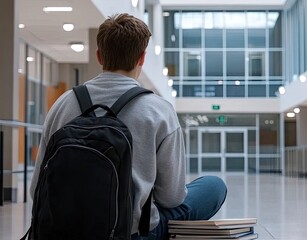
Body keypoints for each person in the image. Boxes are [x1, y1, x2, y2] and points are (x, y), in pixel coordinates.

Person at [30, 13, 227, 240]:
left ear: (99, 56)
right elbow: (171, 198)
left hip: (63, 231)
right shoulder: (158, 109)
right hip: (132, 233)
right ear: (141, 58)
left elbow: (36, 188)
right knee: (213, 186)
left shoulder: (63, 103)